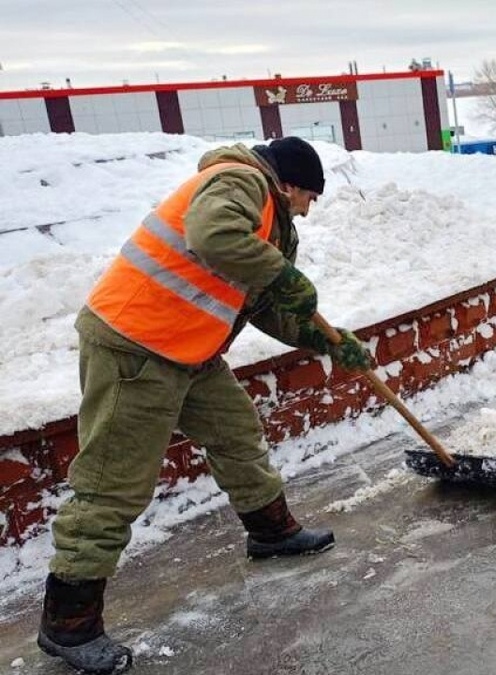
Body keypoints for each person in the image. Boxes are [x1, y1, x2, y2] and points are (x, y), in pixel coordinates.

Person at [38, 136, 373, 674]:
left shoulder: (269, 222)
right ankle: (68, 625)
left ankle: (272, 532)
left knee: (237, 435)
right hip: (136, 344)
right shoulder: (240, 181)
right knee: (113, 482)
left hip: (188, 349)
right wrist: (286, 276)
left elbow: (267, 304)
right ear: (289, 184)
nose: (309, 210)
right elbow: (213, 234)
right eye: (310, 196)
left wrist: (331, 342)